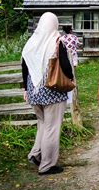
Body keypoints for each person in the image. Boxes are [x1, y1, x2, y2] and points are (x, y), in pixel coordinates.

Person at [21, 12, 74, 175]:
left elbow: (24, 66)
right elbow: (65, 66)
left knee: (42, 124)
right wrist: (71, 78)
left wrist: (25, 89)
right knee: (51, 127)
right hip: (52, 90)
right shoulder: (56, 42)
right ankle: (47, 165)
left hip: (34, 91)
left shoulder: (30, 43)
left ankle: (35, 154)